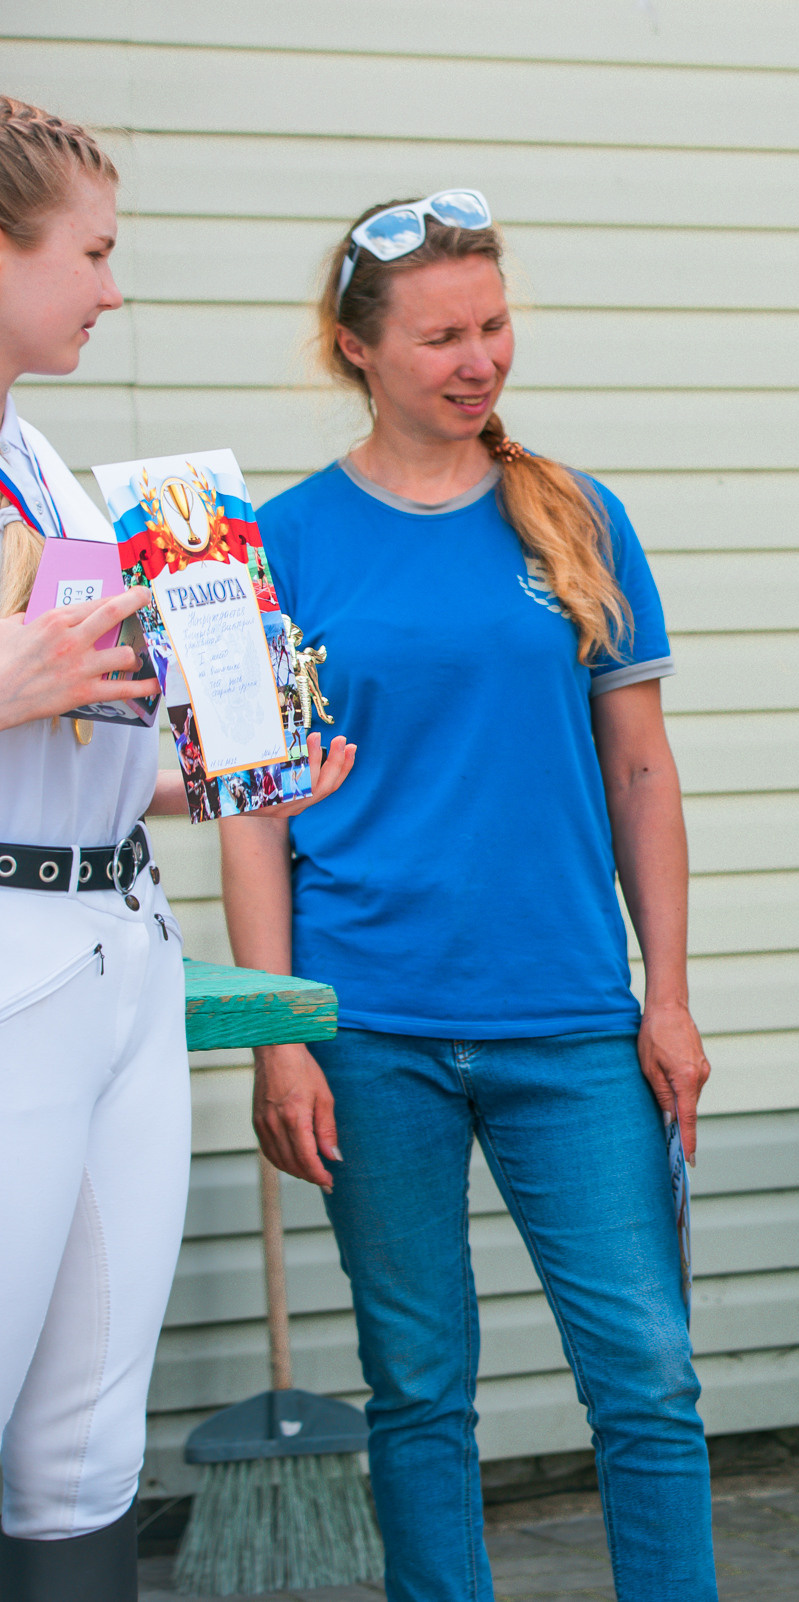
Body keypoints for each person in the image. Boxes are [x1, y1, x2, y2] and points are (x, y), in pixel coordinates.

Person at [219, 193, 715, 1602]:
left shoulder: (575, 512)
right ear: (356, 349)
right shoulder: (282, 539)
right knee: (420, 1384)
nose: (478, 357)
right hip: (367, 1026)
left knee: (648, 1374)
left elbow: (641, 772)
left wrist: (665, 996)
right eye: (442, 334)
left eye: (493, 325)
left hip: (568, 1020)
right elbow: (252, 816)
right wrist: (278, 1031)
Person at [0, 97, 351, 1601]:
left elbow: (58, 739)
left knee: (85, 1443)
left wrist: (202, 777)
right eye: (91, 251)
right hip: (15, 962)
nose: (113, 285)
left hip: (120, 950)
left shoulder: (36, 451)